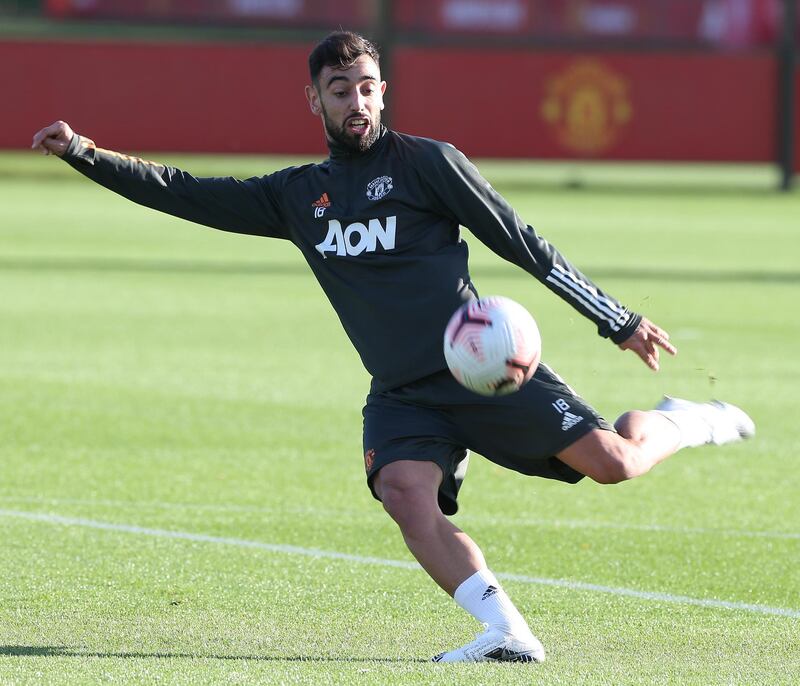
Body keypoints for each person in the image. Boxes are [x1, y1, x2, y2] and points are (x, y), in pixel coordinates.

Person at [31, 31, 754, 664]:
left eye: (368, 88)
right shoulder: (297, 196)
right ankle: (506, 633)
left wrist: (617, 319)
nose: (358, 102)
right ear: (314, 101)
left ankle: (687, 419)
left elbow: (521, 242)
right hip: (402, 393)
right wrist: (86, 154)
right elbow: (185, 191)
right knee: (406, 495)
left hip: (484, 372)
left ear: (385, 92)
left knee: (615, 464)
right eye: (340, 90)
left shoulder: (427, 164)